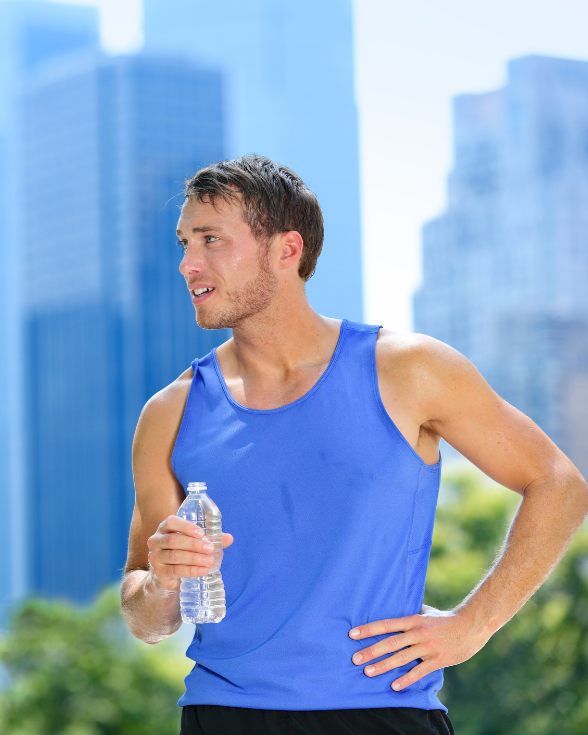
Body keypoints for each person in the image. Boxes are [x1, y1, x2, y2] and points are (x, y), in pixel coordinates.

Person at [121, 155, 588, 735]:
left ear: (286, 250)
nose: (189, 263)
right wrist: (163, 582)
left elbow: (559, 484)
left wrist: (475, 624)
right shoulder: (171, 412)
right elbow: (146, 615)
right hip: (221, 717)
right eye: (185, 242)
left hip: (383, 713)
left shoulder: (408, 369)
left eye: (211, 239)